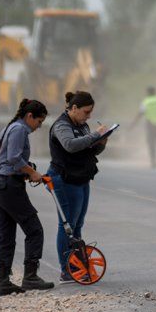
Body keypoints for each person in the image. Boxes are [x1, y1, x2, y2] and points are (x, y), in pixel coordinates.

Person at [0, 98, 55, 296]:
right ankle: (30, 277)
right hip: (10, 188)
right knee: (34, 230)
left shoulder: (7, 129)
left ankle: (3, 283)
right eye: (39, 121)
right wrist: (31, 172)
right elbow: (14, 158)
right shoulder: (19, 130)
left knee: (5, 237)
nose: (39, 126)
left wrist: (23, 170)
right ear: (29, 116)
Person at [47, 91, 108, 283]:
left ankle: (76, 266)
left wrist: (101, 142)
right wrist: (95, 135)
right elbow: (70, 145)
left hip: (81, 177)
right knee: (67, 226)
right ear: (74, 108)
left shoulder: (82, 126)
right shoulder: (61, 125)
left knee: (77, 225)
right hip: (64, 179)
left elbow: (88, 149)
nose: (88, 116)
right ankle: (66, 269)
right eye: (86, 112)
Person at [131, 86, 156, 168]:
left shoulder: (146, 101)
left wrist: (133, 124)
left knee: (151, 142)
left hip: (150, 124)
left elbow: (140, 113)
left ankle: (153, 161)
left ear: (147, 92)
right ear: (155, 91)